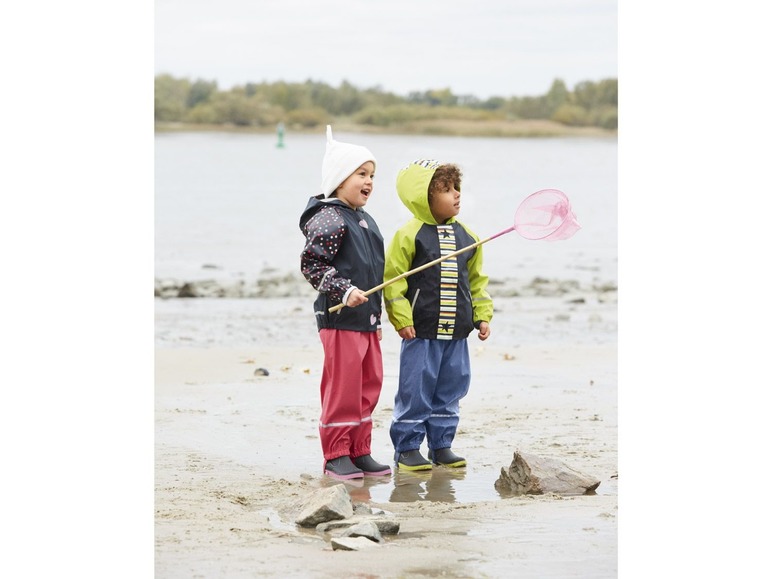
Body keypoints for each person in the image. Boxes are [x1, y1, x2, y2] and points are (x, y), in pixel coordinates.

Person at [383, 159, 493, 471]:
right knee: (415, 389)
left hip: (457, 333)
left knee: (451, 389)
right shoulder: (409, 235)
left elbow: (477, 283)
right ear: (424, 197)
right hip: (421, 331)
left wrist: (482, 316)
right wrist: (402, 319)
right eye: (446, 190)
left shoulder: (469, 237)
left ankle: (442, 444)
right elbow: (394, 281)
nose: (456, 195)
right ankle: (407, 448)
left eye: (457, 188)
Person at [299, 125, 391, 481]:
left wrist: (378, 318)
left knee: (369, 384)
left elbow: (374, 273)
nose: (369, 181)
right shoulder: (330, 217)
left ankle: (359, 449)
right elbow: (313, 264)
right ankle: (336, 453)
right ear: (338, 179)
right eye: (361, 174)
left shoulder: (366, 219)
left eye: (372, 176)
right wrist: (343, 290)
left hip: (367, 319)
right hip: (339, 319)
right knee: (344, 386)